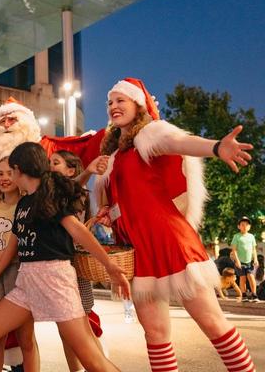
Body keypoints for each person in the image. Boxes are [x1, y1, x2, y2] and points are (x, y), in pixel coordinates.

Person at [96, 77, 255, 371]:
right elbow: (123, 200)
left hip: (170, 242)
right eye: (110, 102)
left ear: (138, 104)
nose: (114, 106)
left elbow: (179, 141)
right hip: (138, 252)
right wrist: (106, 208)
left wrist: (217, 147)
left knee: (214, 325)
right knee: (155, 335)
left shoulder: (151, 134)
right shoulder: (114, 155)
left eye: (121, 100)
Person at [0, 142, 130, 372]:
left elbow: (78, 230)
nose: (8, 174)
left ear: (18, 169)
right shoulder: (24, 202)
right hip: (26, 282)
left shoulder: (51, 195)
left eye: (10, 169)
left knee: (91, 359)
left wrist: (109, 265)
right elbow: (14, 245)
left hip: (55, 278)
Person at [0, 157, 39, 371]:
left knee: (26, 339)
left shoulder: (28, 207)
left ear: (19, 175)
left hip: (19, 273)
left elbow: (27, 245)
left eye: (9, 173)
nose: (4, 178)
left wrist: (2, 257)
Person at [49, 150, 106, 370]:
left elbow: (69, 193)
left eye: (56, 162)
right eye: (48, 163)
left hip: (72, 267)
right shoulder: (50, 193)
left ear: (71, 170)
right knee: (65, 331)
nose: (50, 166)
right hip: (59, 268)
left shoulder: (76, 193)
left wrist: (89, 171)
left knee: (83, 327)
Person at [231, 216, 259, 302]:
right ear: (238, 226)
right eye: (242, 224)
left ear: (249, 227)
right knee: (242, 278)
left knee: (251, 277)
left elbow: (254, 249)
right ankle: (244, 295)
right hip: (240, 261)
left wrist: (255, 259)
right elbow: (234, 250)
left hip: (249, 261)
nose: (244, 226)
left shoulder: (251, 237)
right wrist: (237, 261)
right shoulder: (236, 236)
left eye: (246, 225)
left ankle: (254, 295)